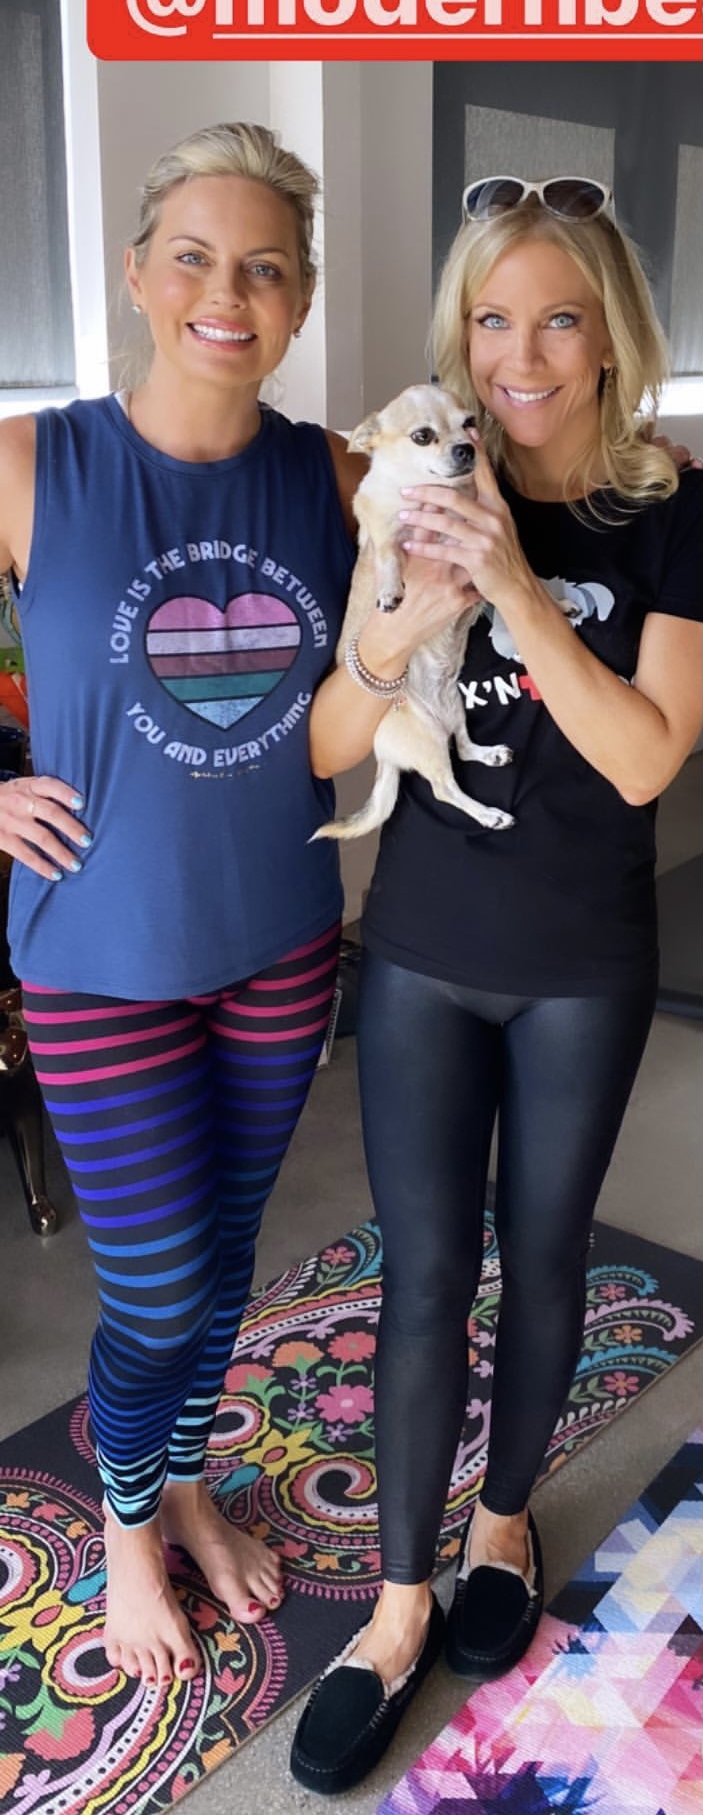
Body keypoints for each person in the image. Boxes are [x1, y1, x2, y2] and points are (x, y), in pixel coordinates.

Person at [290, 175, 703, 1796]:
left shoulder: (672, 512)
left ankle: (504, 1524)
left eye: (558, 319)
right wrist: (405, 616)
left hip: (583, 965)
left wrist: (522, 592)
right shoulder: (413, 479)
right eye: (491, 319)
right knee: (421, 1280)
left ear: (609, 340)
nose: (519, 355)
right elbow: (332, 741)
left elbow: (647, 755)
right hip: (421, 953)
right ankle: (397, 1608)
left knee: (544, 1267)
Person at [0, 122, 364, 1689]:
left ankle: (187, 1483)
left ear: (300, 300)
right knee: (153, 1284)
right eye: (198, 258)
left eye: (266, 267)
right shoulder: (33, 462)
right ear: (141, 275)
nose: (231, 292)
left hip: (282, 939)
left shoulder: (331, 475)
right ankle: (129, 1527)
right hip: (101, 954)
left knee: (221, 1260)